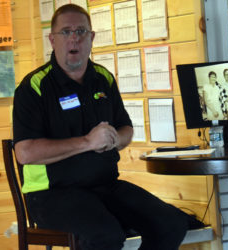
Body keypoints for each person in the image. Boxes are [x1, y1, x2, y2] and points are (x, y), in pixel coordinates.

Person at [12, 4, 204, 250]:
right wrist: (87, 142)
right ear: (52, 39)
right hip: (51, 194)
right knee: (106, 236)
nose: (74, 38)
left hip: (105, 186)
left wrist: (115, 139)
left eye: (81, 31)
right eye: (66, 32)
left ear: (91, 38)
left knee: (173, 224)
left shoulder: (103, 78)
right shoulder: (34, 87)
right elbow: (25, 153)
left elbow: (126, 130)